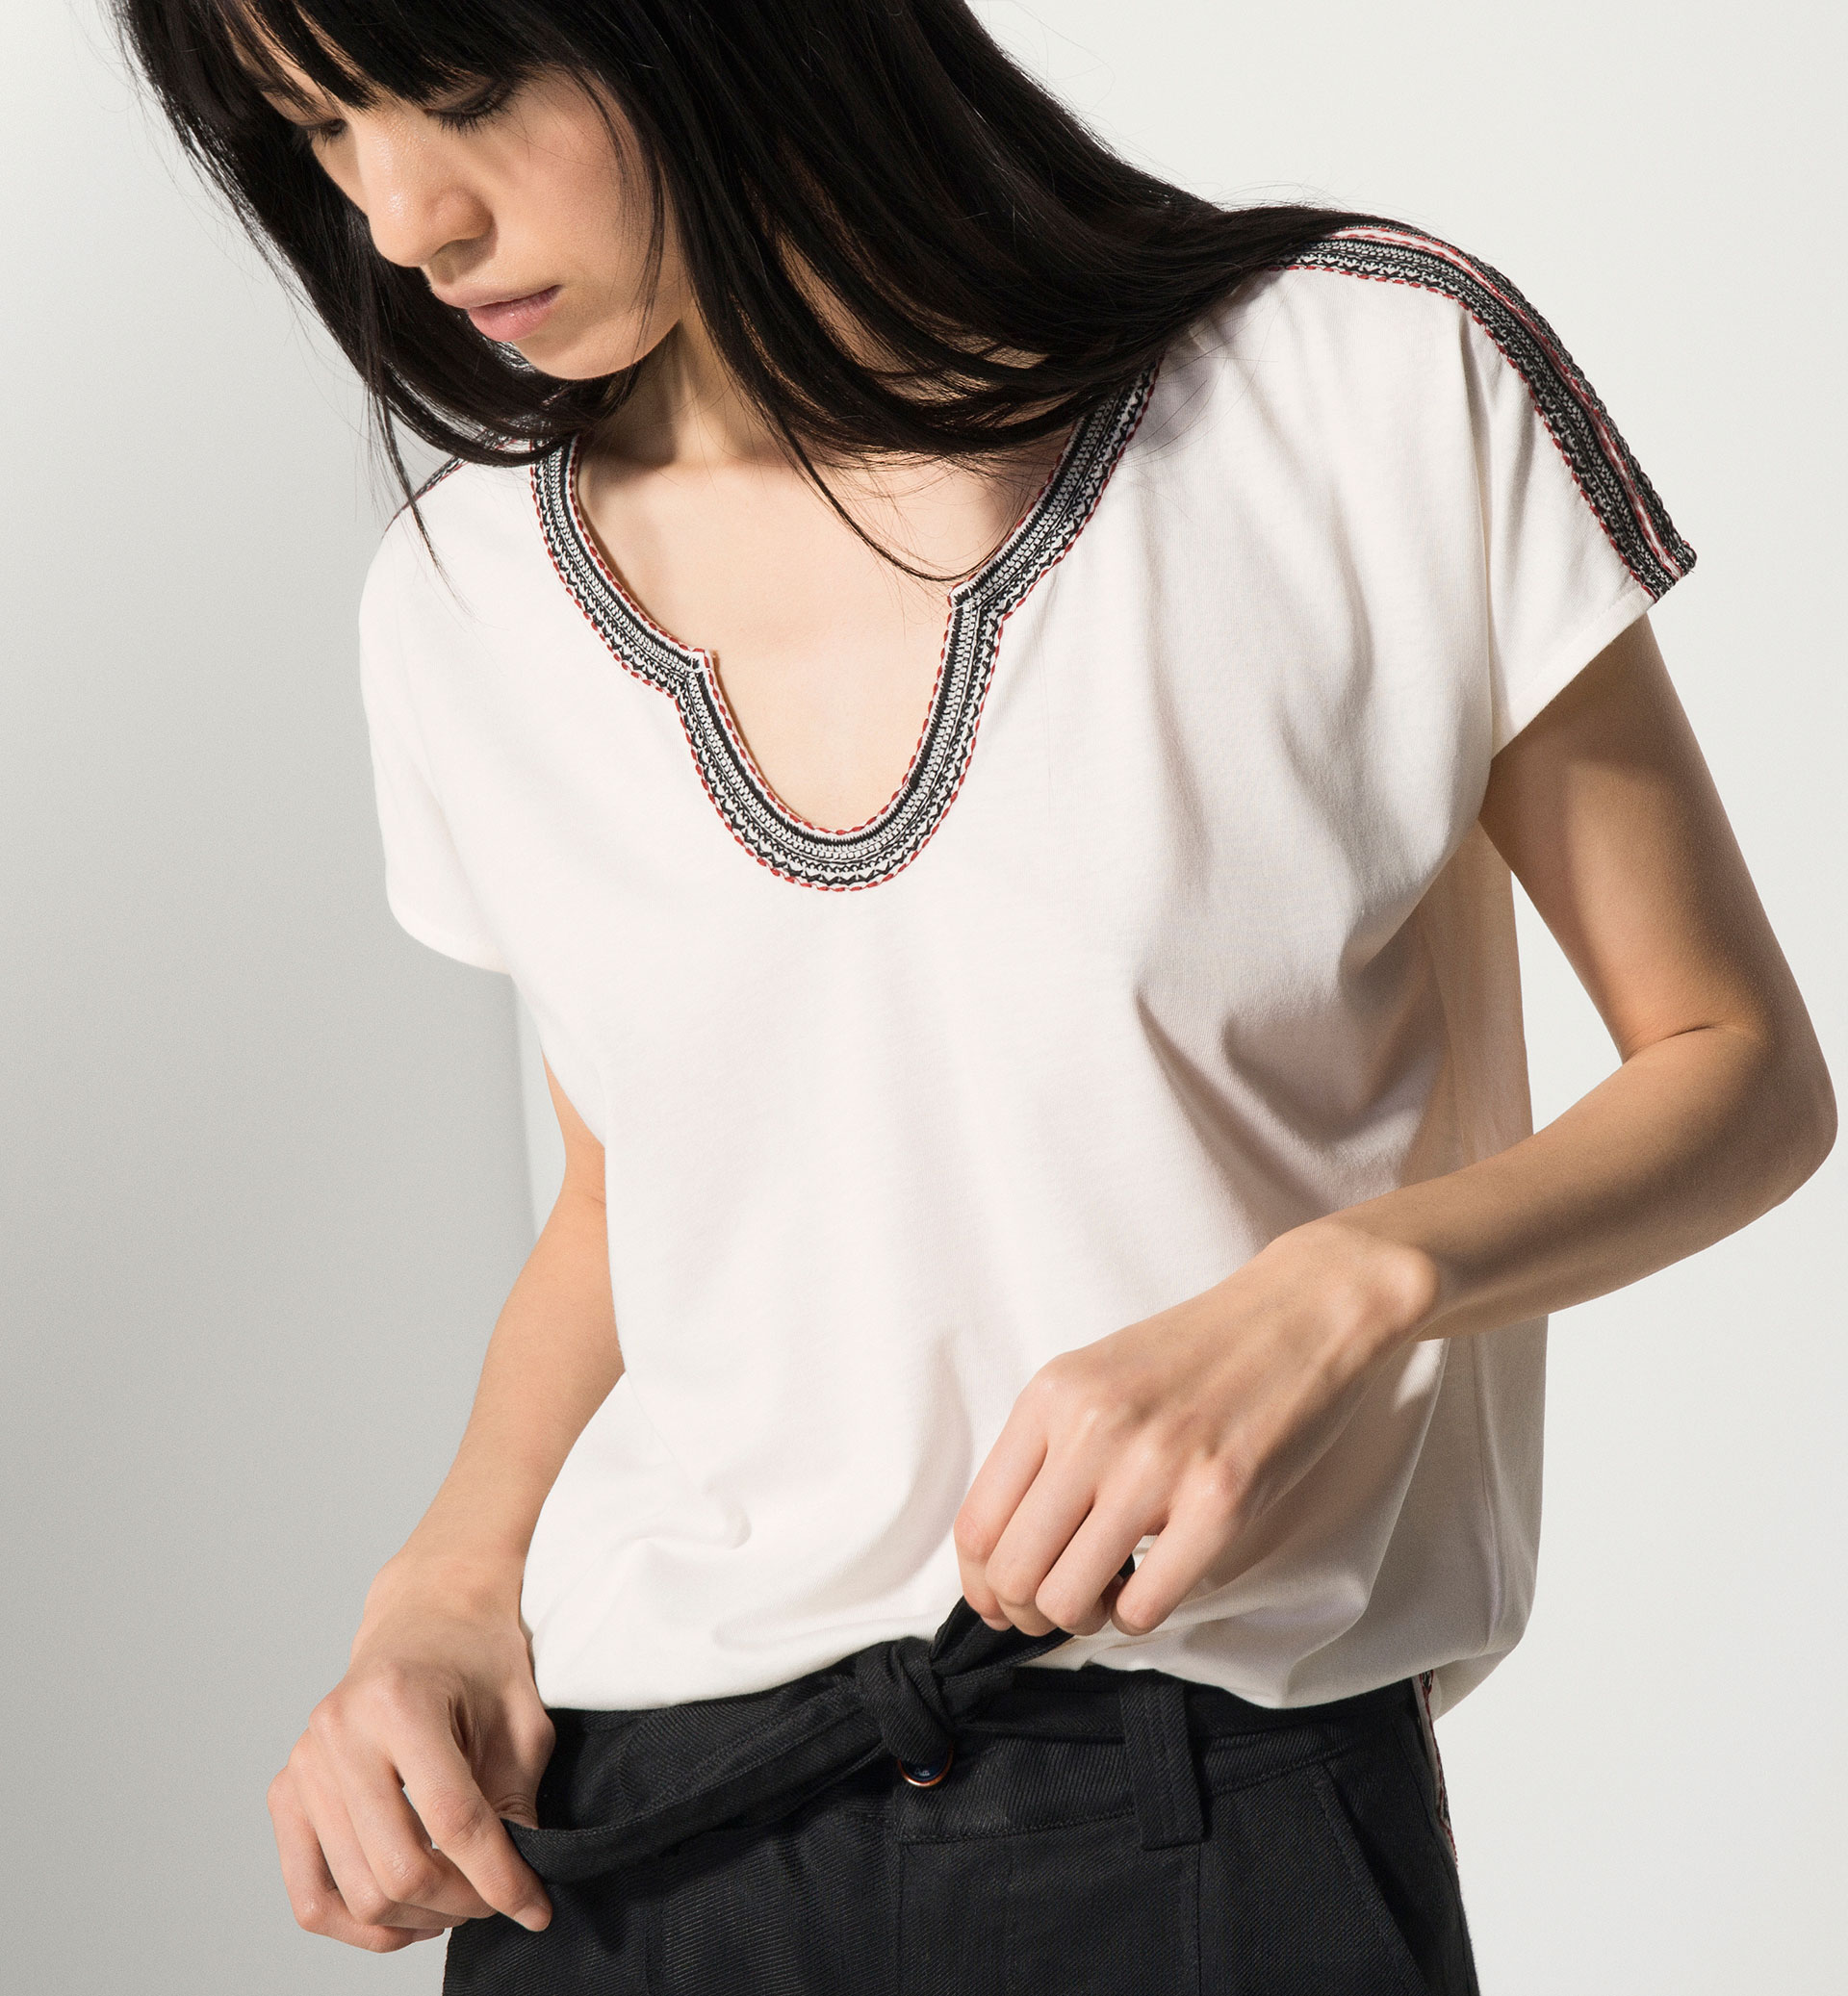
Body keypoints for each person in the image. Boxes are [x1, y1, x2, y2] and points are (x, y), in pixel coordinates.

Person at [118, 2, 1835, 1991]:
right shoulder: (463, 597)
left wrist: (1329, 1291)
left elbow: (1738, 1066)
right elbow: (631, 1194)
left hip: (1203, 1813)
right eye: (317, 128)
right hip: (633, 1847)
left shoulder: (1364, 382)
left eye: (463, 90)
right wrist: (442, 1582)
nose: (404, 217)